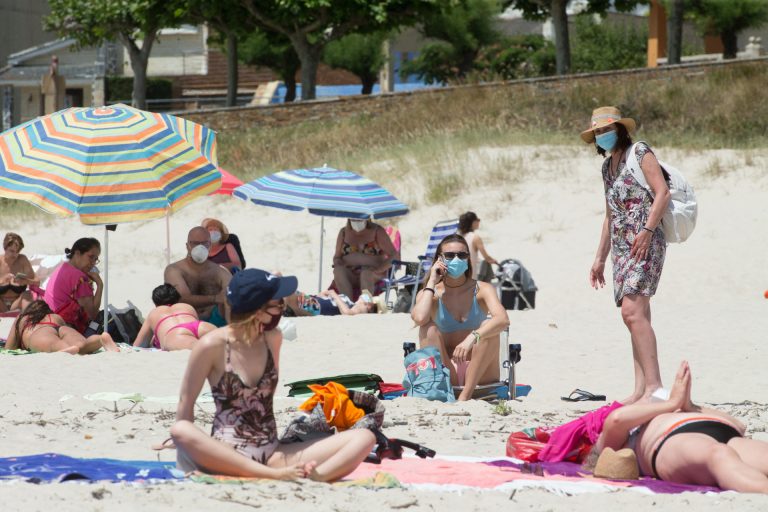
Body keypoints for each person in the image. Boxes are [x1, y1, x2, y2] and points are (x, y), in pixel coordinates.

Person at [170, 268, 376, 481]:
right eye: (278, 304)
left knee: (364, 437)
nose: (283, 308)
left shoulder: (273, 339)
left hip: (272, 453)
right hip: (227, 455)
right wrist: (185, 452)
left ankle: (315, 478)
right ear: (258, 310)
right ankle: (275, 476)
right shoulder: (211, 345)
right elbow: (186, 405)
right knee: (180, 430)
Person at [583, 106, 671, 404]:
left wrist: (646, 230)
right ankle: (641, 387)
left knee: (631, 312)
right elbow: (610, 215)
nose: (602, 135)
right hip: (622, 246)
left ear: (620, 129)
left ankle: (655, 386)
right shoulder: (607, 168)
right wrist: (599, 258)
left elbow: (662, 192)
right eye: (597, 132)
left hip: (646, 239)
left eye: (606, 130)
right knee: (637, 315)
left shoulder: (640, 152)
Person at [588, 361, 768, 493]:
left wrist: (689, 406)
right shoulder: (613, 445)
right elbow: (616, 420)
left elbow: (739, 425)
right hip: (670, 440)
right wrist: (672, 403)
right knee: (718, 455)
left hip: (723, 430)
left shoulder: (670, 408)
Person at [410, 234, 510, 401]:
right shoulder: (431, 293)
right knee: (428, 328)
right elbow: (419, 318)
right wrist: (431, 282)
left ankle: (465, 396)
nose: (456, 259)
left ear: (468, 258)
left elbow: (503, 320)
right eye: (449, 255)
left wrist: (473, 336)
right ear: (439, 259)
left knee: (488, 325)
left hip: (481, 374)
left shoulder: (483, 289)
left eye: (462, 255)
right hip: (447, 373)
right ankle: (455, 391)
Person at [164, 227, 231, 327]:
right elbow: (182, 299)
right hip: (185, 321)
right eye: (195, 243)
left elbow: (233, 295)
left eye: (205, 243)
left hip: (214, 321)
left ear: (210, 246)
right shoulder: (174, 270)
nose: (200, 247)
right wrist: (215, 298)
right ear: (187, 246)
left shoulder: (220, 271)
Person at [5, 300, 119, 353]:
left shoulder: (23, 318)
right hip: (61, 327)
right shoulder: (55, 317)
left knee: (55, 344)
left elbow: (9, 348)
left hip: (41, 332)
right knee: (82, 344)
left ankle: (64, 348)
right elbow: (61, 331)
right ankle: (100, 339)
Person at [43, 237, 103, 334]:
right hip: (65, 328)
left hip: (49, 321)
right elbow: (92, 314)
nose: (93, 263)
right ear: (77, 253)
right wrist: (100, 285)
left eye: (96, 259)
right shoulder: (80, 278)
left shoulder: (63, 267)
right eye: (91, 257)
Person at [133, 284, 216, 350]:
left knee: (199, 350)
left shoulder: (154, 313)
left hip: (175, 333)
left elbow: (139, 346)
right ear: (178, 299)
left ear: (155, 304)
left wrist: (155, 339)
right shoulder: (187, 306)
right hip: (201, 326)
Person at [332, 218, 397, 299]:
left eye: (359, 219)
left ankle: (366, 305)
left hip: (373, 275)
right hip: (351, 274)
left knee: (366, 274)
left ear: (366, 217)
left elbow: (394, 255)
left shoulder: (377, 231)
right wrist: (338, 263)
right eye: (353, 218)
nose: (356, 221)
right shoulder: (343, 232)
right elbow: (337, 257)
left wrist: (379, 270)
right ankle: (347, 304)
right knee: (338, 271)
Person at [0, 232, 36, 312]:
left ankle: (28, 320)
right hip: (1, 304)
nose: (15, 254)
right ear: (5, 248)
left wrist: (26, 281)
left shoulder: (22, 259)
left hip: (16, 304)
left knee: (27, 294)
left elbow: (37, 282)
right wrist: (2, 281)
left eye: (17, 251)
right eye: (12, 251)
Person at [457, 212, 498, 281]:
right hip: (471, 276)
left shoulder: (458, 237)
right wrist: (495, 262)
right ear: (472, 222)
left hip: (459, 275)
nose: (479, 222)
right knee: (486, 263)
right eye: (478, 220)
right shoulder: (475, 238)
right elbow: (487, 258)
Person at [285, 288, 378, 317]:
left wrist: (334, 294)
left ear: (369, 305)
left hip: (315, 306)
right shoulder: (351, 303)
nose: (361, 295)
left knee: (287, 290)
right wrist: (324, 295)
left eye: (365, 297)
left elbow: (347, 313)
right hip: (313, 301)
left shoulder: (360, 308)